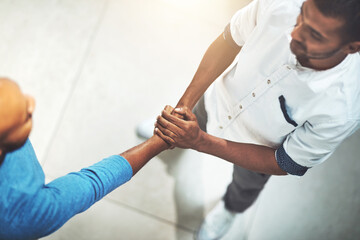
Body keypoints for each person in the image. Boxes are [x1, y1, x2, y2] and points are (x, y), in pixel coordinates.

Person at [138, 0, 360, 239]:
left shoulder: (344, 108)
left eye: (314, 34)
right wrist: (184, 106)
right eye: (302, 15)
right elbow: (229, 40)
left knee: (245, 188)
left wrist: (199, 141)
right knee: (196, 116)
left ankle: (229, 210)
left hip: (256, 153)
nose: (294, 33)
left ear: (351, 47)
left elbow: (284, 162)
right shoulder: (280, 4)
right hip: (215, 100)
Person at [0, 77, 170, 240]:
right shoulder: (22, 216)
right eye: (26, 117)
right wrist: (159, 141)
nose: (32, 101)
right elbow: (92, 183)